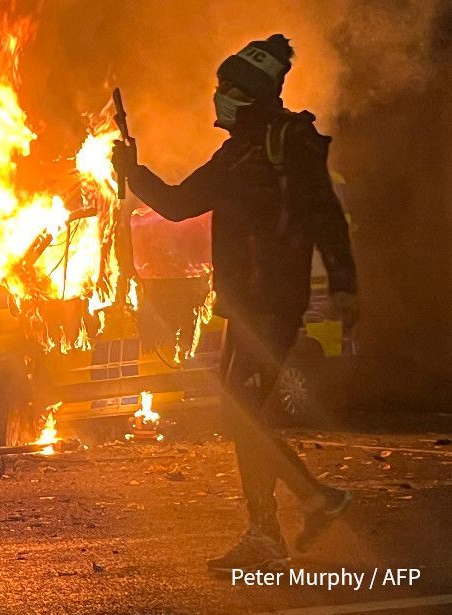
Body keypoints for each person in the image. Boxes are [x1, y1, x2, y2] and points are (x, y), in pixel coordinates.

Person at [112, 34, 359, 572]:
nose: (218, 96)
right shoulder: (236, 153)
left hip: (273, 303)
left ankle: (289, 517)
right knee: (239, 412)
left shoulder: (286, 144)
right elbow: (178, 203)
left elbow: (324, 213)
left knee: (242, 413)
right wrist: (133, 172)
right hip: (243, 304)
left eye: (228, 88)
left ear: (250, 95)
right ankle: (286, 517)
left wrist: (343, 284)